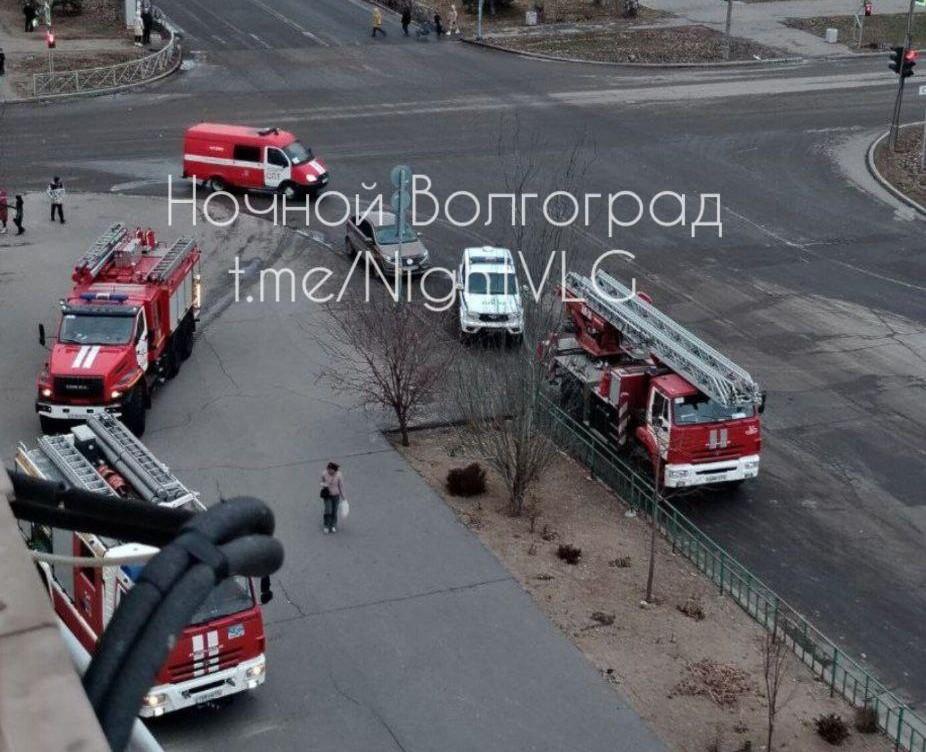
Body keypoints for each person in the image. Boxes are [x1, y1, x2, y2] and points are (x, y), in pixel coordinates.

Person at [320, 461, 344, 534]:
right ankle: (326, 525)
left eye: (331, 470)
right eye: (328, 469)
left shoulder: (339, 475)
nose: (329, 471)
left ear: (335, 470)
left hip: (336, 495)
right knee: (328, 510)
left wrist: (343, 496)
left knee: (334, 511)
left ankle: (333, 525)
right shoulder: (324, 474)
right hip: (327, 495)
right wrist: (324, 485)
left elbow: (341, 486)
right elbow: (321, 482)